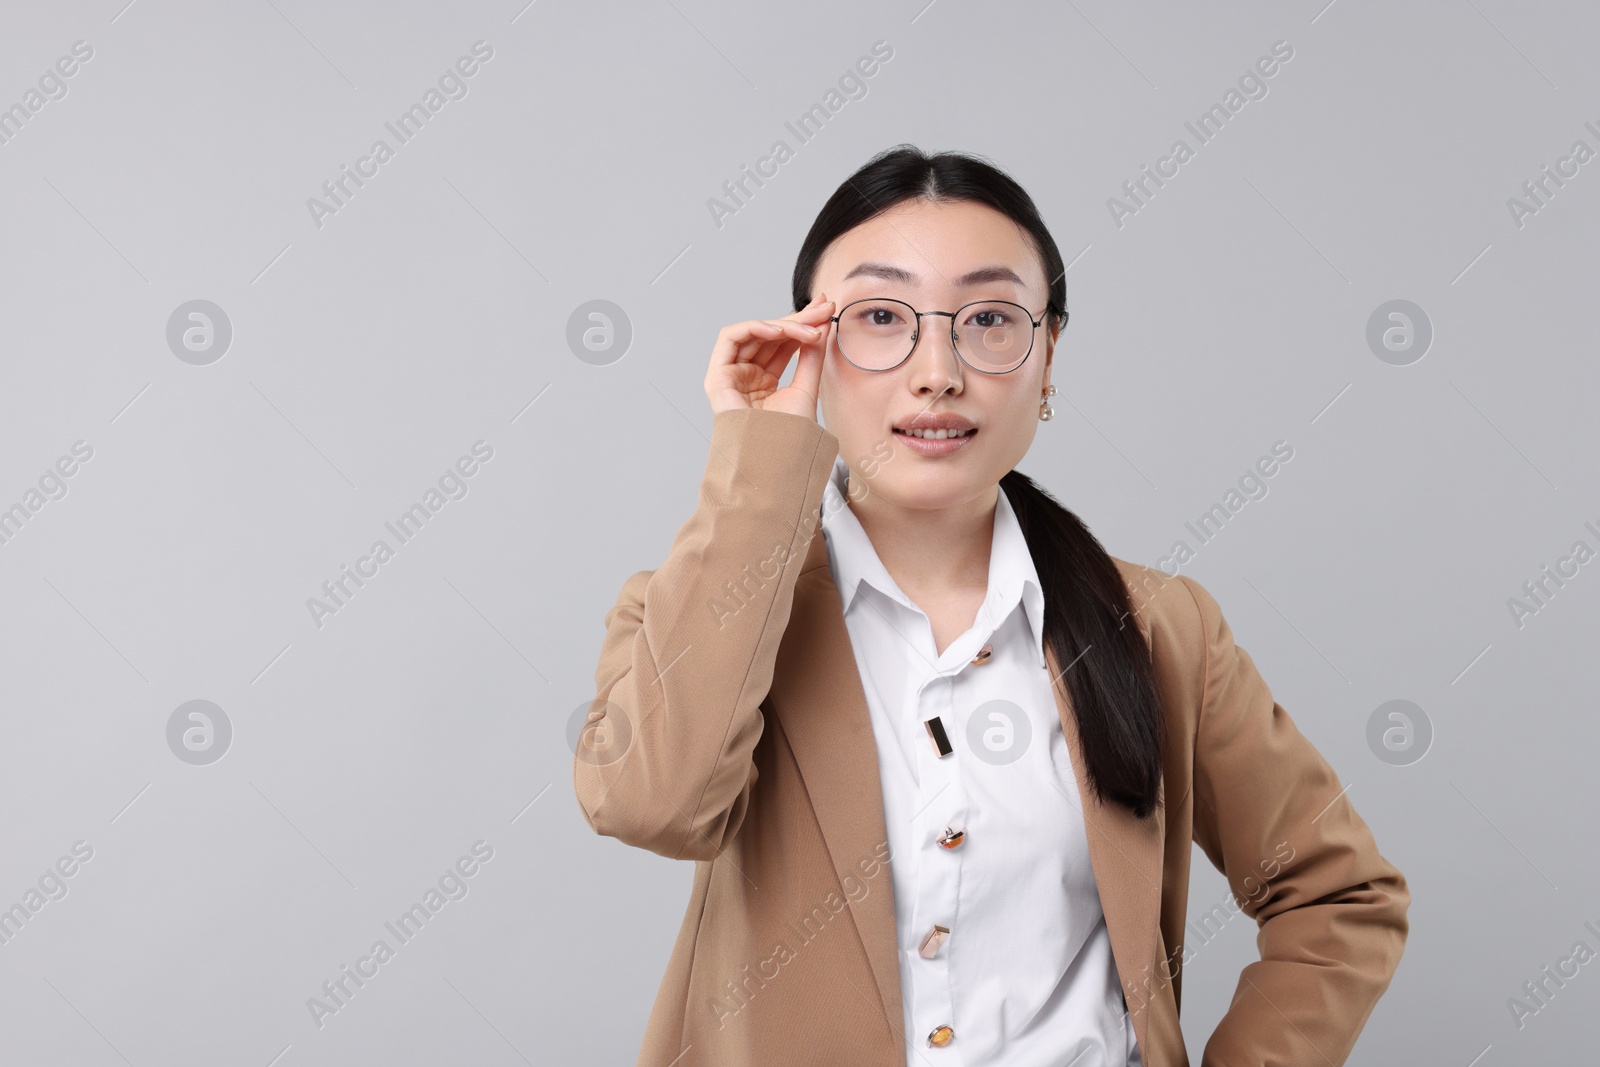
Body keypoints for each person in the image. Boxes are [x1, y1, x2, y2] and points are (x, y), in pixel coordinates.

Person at [573, 144, 1409, 1066]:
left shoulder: (1164, 625)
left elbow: (1338, 893)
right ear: (810, 344)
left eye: (989, 319)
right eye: (880, 316)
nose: (938, 370)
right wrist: (759, 452)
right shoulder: (694, 615)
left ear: (1049, 354)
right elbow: (655, 805)